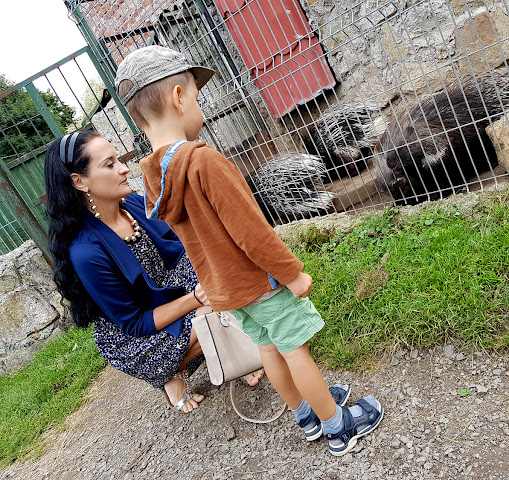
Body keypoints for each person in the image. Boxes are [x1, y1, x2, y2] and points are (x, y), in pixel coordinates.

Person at [115, 45, 384, 455]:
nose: (200, 108)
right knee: (297, 351)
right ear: (178, 97)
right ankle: (337, 424)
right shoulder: (203, 161)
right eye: (198, 98)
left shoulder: (153, 177)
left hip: (226, 290)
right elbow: (251, 232)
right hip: (260, 281)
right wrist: (293, 274)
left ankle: (306, 415)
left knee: (269, 349)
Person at [44, 130, 263, 413]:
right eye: (109, 164)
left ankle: (224, 347)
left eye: (119, 160)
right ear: (79, 181)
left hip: (166, 290)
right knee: (213, 306)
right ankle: (175, 371)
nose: (124, 168)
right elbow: (135, 323)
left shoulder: (132, 204)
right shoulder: (86, 252)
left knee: (222, 270)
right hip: (135, 335)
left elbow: (183, 246)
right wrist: (197, 299)